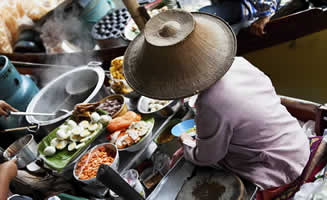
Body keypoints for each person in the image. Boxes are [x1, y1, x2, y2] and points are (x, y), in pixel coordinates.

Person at [199, 0, 280, 36]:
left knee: (203, 15)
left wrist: (265, 17)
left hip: (249, 8)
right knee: (201, 15)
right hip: (228, 6)